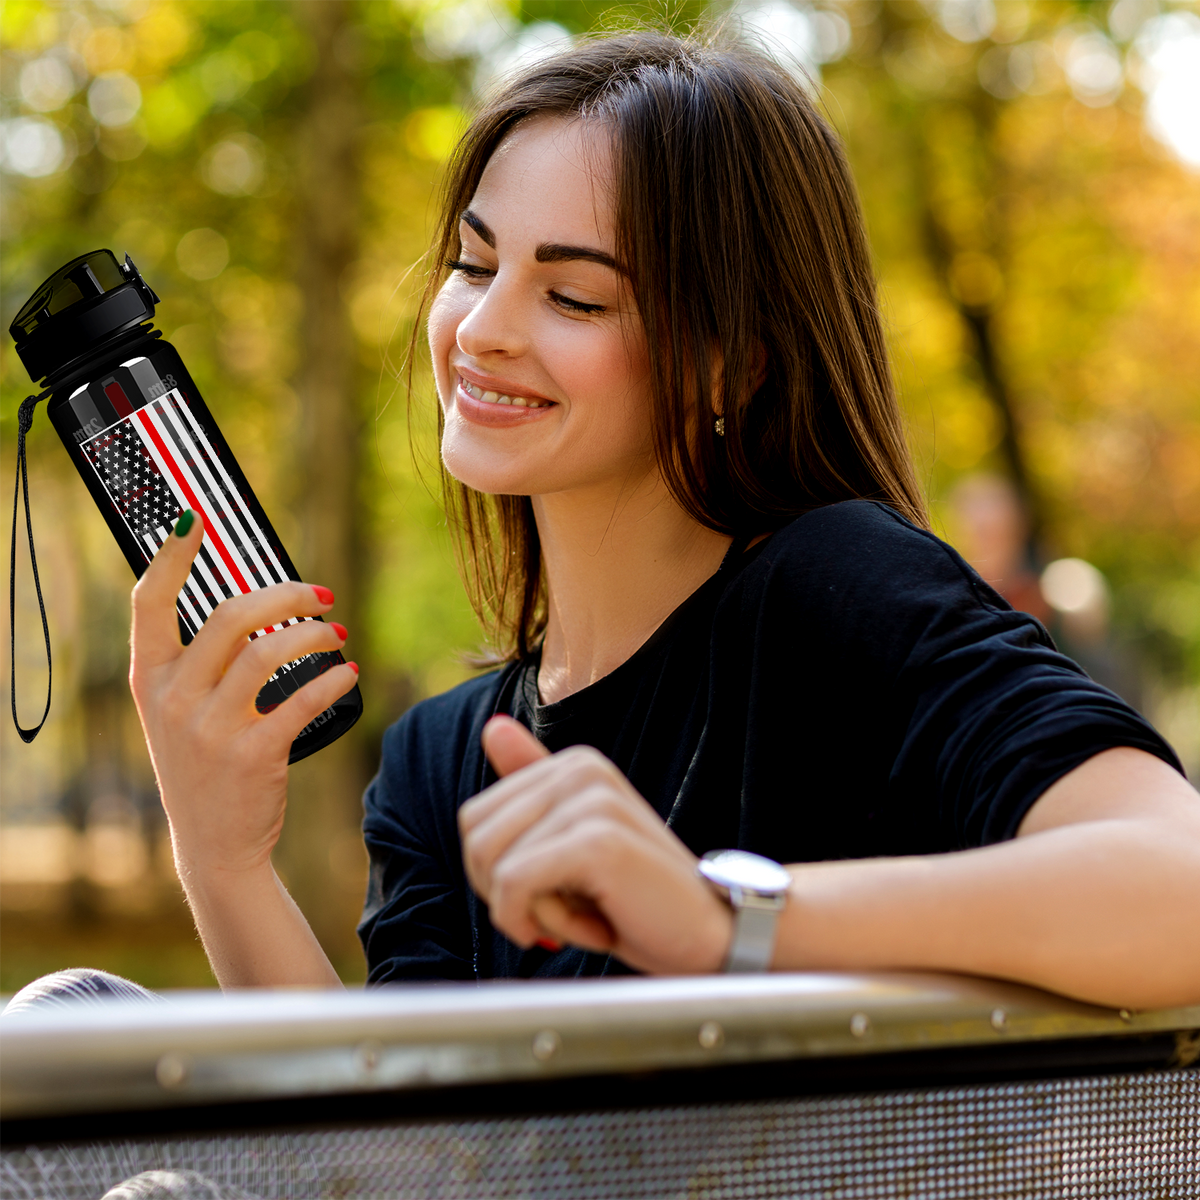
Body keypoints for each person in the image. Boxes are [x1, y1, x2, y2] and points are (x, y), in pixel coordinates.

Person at [127, 31, 1200, 1011]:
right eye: (472, 264)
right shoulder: (439, 762)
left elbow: (1178, 889)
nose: (482, 329)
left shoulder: (836, 592)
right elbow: (405, 1161)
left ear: (732, 360)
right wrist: (221, 863)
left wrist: (724, 919)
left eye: (575, 297)